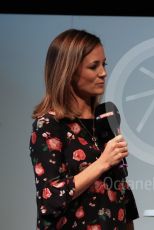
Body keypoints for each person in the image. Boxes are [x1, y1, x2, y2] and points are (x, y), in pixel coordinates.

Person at [29, 29, 139, 229]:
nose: (103, 73)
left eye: (104, 64)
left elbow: (120, 187)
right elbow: (50, 199)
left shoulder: (104, 119)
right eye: (93, 66)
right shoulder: (49, 125)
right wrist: (103, 162)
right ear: (68, 71)